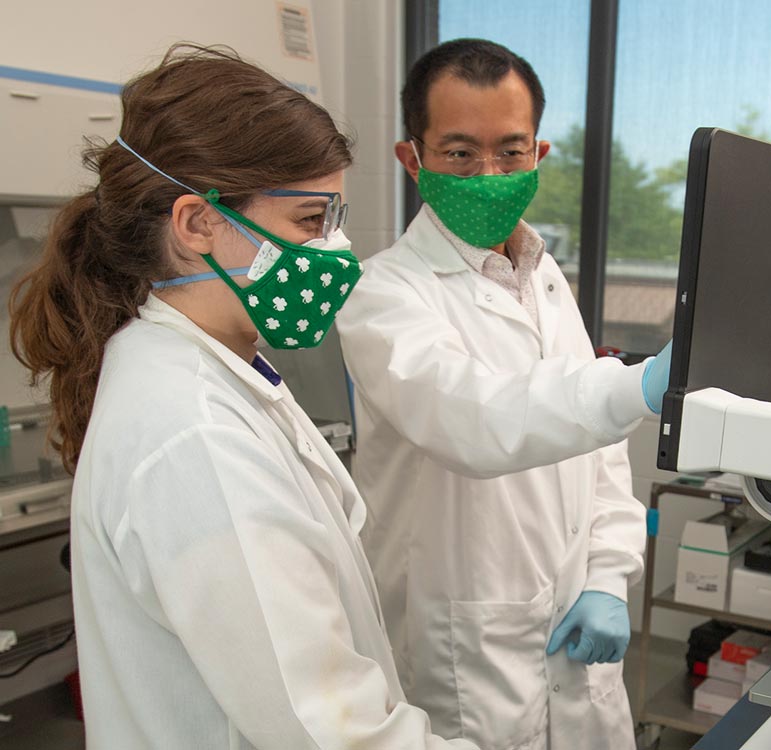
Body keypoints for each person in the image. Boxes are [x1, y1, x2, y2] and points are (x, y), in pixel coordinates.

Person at [8, 45, 478, 750]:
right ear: (197, 224)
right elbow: (328, 730)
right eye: (310, 221)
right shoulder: (193, 432)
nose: (338, 250)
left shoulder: (214, 367)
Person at [335, 39, 672, 750]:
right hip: (460, 651)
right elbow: (476, 421)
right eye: (460, 153)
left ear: (539, 154)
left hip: (574, 638)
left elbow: (600, 453)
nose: (489, 173)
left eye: (510, 152)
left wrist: (610, 575)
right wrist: (639, 385)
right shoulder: (381, 294)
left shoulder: (545, 279)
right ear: (413, 158)